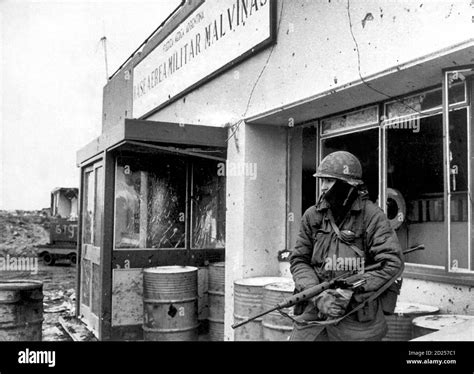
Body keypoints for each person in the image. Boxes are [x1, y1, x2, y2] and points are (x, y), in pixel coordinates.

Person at [289, 151, 404, 341]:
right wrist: (317, 295)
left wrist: (346, 291)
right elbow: (300, 260)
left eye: (329, 181)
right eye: (322, 181)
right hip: (315, 314)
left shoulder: (372, 217)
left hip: (357, 319)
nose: (323, 188)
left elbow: (392, 263)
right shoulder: (313, 216)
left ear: (350, 184)